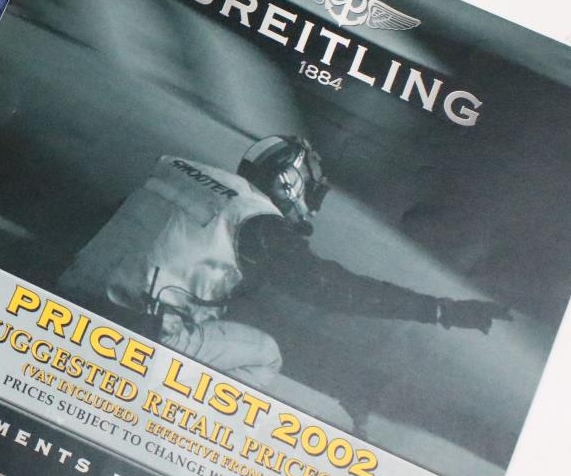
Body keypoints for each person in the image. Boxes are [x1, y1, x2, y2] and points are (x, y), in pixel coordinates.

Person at [57, 136, 509, 389]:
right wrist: (438, 310)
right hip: (134, 336)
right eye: (310, 189)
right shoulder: (257, 219)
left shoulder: (178, 168)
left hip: (69, 302)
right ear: (291, 181)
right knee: (264, 354)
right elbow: (334, 290)